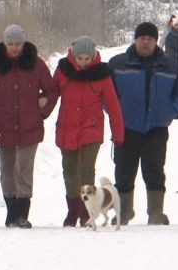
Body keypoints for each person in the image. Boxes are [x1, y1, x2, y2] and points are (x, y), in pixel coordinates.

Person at [0, 24, 59, 229]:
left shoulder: (37, 64)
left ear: (24, 43)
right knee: (7, 170)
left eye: (18, 43)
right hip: (2, 127)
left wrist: (42, 112)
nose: (14, 48)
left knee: (23, 170)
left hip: (29, 127)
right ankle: (10, 212)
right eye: (10, 43)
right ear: (5, 44)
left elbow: (52, 91)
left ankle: (22, 214)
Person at [109, 22, 178, 225]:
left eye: (150, 39)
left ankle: (156, 212)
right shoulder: (118, 64)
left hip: (156, 127)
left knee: (155, 169)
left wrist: (173, 111)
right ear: (135, 39)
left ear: (156, 41)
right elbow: (107, 93)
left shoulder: (170, 66)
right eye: (142, 38)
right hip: (126, 126)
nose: (145, 42)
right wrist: (114, 113)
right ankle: (124, 211)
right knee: (124, 170)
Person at [53, 35, 125, 227]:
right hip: (67, 128)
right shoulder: (63, 71)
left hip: (91, 129)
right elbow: (52, 94)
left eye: (87, 59)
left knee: (86, 169)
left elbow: (113, 105)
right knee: (69, 171)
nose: (83, 63)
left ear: (93, 57)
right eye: (80, 59)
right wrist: (42, 110)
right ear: (73, 56)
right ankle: (72, 211)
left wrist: (118, 133)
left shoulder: (102, 74)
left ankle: (87, 212)